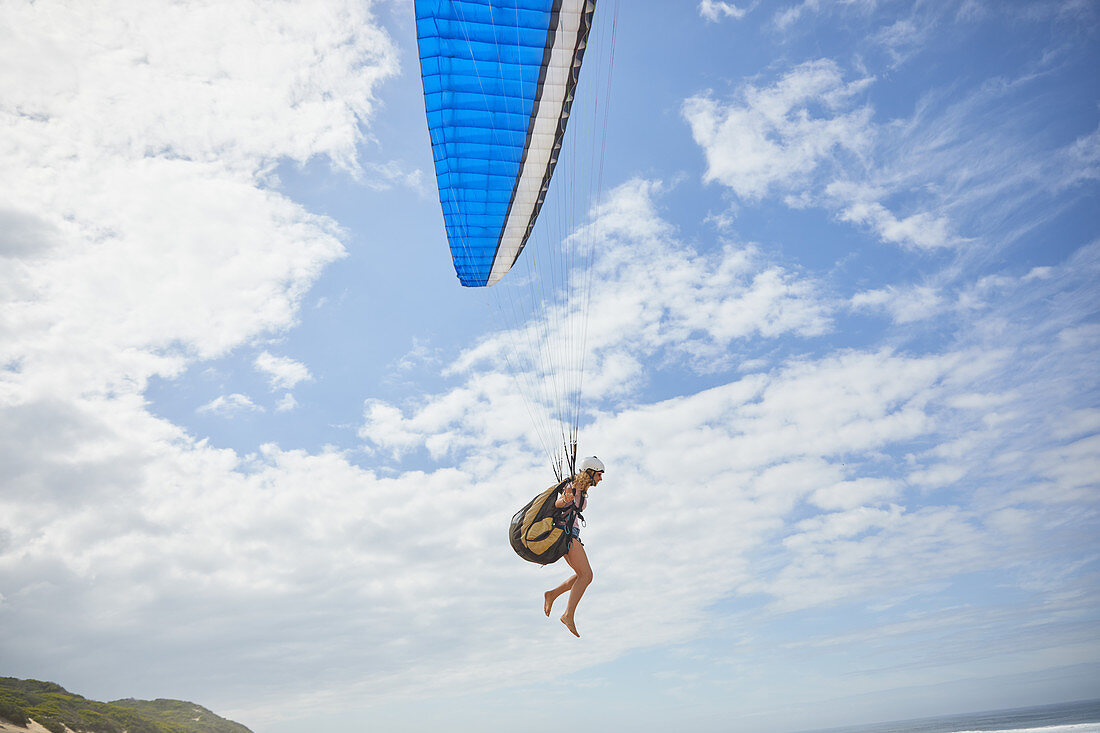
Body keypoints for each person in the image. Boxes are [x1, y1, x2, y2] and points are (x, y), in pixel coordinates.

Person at [543, 456, 604, 637]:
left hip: (571, 534)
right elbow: (558, 503)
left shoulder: (582, 491)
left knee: (581, 575)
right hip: (566, 534)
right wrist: (565, 499)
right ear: (591, 472)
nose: (600, 479)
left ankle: (552, 594)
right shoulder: (571, 487)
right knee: (587, 575)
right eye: (599, 475)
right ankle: (568, 614)